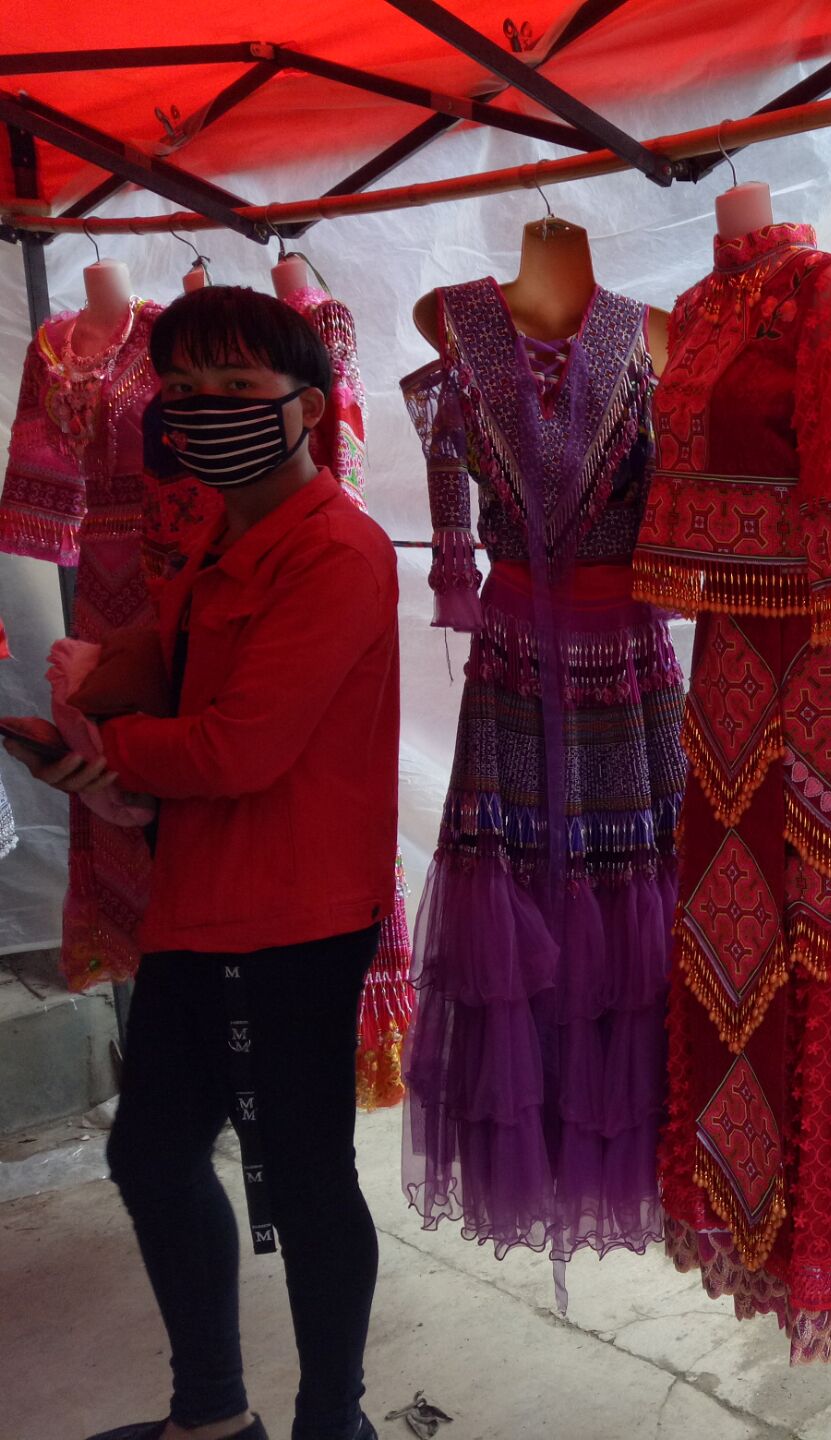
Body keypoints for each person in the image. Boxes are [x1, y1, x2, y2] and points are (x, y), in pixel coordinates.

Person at [4, 285, 400, 1440]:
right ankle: (213, 1417)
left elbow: (238, 746)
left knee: (308, 1176)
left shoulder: (338, 551)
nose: (205, 410)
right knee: (152, 1154)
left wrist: (104, 756)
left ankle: (333, 1422)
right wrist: (94, 685)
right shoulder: (216, 539)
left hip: (291, 914)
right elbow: (169, 657)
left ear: (309, 408)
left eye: (236, 387)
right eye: (183, 390)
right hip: (201, 897)